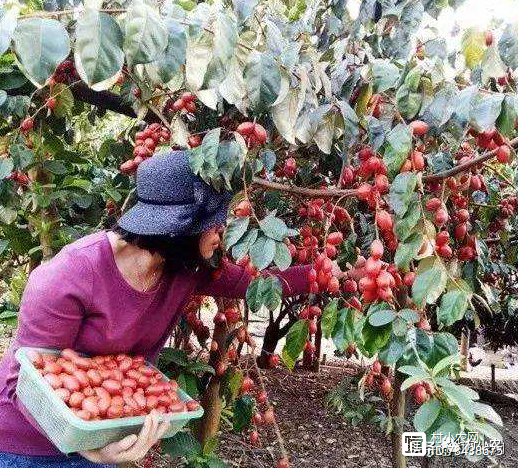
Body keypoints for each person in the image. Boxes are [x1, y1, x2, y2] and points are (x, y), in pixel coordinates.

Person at [0, 150, 311, 467]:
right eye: (216, 223)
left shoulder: (188, 269)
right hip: (26, 446)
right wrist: (86, 449)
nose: (223, 231)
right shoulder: (68, 276)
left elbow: (260, 283)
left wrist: (342, 276)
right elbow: (24, 383)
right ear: (181, 227)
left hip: (102, 432)